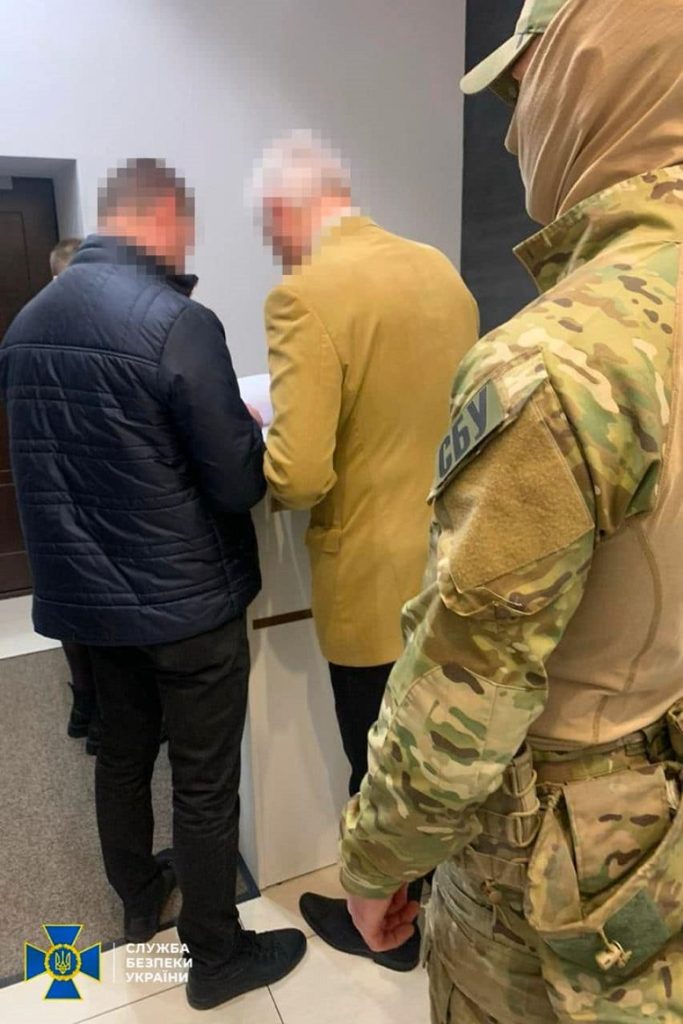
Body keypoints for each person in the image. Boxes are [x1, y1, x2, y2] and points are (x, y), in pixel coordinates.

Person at [337, 0, 683, 1021]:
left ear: (592, 79)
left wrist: (375, 859)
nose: (506, 134)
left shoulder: (562, 357)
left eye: (522, 92)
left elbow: (464, 687)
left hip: (562, 861)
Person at [0, 158, 306, 1010]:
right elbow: (235, 485)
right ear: (160, 219)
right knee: (204, 782)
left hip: (88, 602)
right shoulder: (179, 322)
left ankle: (139, 896)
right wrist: (249, 433)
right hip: (185, 602)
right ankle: (216, 955)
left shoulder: (26, 323)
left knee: (123, 756)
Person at [250, 131, 479, 971]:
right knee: (434, 754)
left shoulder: (302, 294)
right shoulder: (438, 272)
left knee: (375, 762)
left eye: (267, 226)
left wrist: (266, 443)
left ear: (287, 210)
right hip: (450, 559)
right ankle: (439, 898)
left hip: (369, 579)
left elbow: (300, 476)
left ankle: (386, 926)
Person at [48, 237, 103, 755]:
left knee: (77, 606)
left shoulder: (33, 332)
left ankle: (87, 705)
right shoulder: (89, 334)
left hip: (58, 495)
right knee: (91, 611)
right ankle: (95, 708)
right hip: (81, 493)